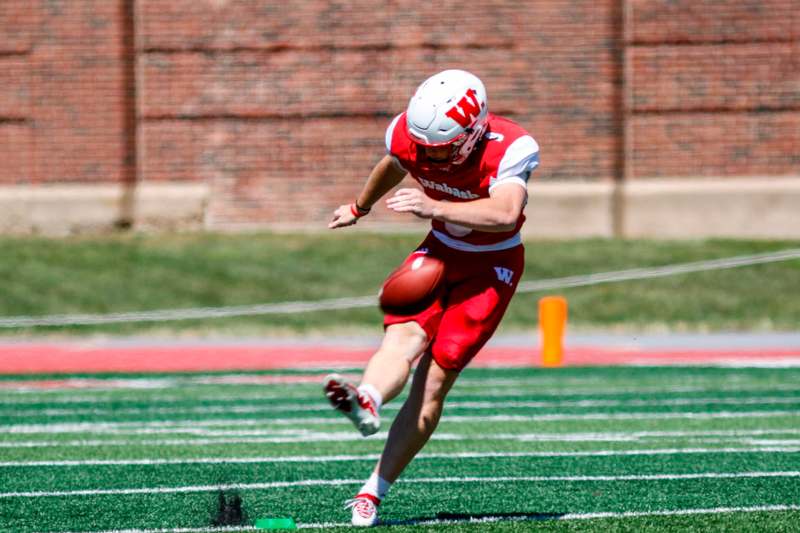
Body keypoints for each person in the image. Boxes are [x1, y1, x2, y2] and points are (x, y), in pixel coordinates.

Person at [324, 69, 540, 527]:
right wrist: (360, 207)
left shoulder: (511, 146)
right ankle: (368, 399)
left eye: (440, 146)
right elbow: (394, 162)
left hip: (490, 268)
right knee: (401, 337)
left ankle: (373, 491)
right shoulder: (411, 135)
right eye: (424, 144)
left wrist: (434, 206)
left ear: (473, 131)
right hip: (440, 251)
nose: (429, 154)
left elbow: (505, 213)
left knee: (434, 381)